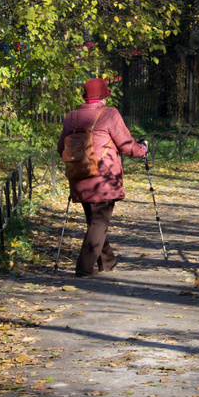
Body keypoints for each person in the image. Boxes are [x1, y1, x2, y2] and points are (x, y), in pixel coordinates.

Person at [57, 78, 149, 277]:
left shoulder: (72, 116)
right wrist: (142, 149)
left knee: (95, 222)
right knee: (98, 224)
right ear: (104, 96)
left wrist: (79, 161)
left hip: (79, 175)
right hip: (103, 180)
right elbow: (126, 145)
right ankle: (83, 268)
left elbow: (60, 148)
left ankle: (108, 262)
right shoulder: (109, 114)